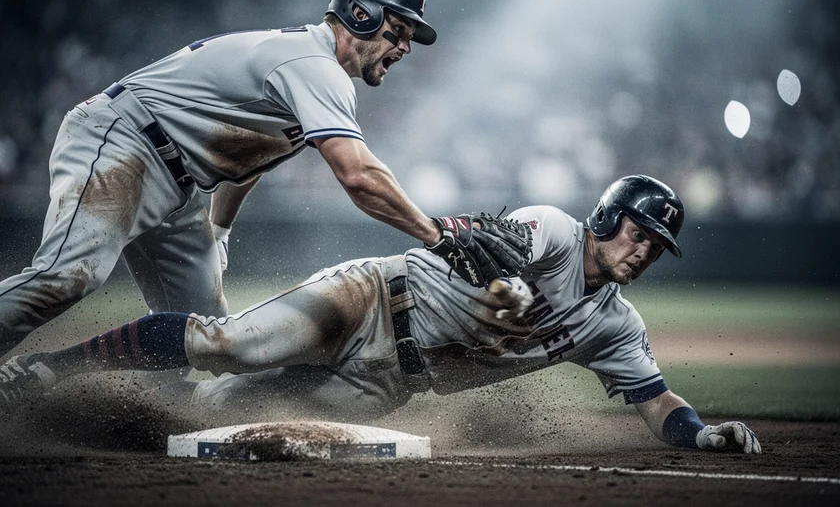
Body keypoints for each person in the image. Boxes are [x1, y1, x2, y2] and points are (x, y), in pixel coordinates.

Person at [0, 175, 760, 454]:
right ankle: (45, 369)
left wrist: (701, 432)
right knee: (224, 346)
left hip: (388, 386)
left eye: (659, 246)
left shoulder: (614, 326)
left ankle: (103, 418)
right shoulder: (557, 233)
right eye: (639, 232)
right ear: (604, 218)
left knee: (212, 421)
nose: (646, 250)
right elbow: (495, 233)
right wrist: (493, 252)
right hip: (368, 301)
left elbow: (654, 402)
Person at [0, 0, 488, 358]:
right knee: (67, 277)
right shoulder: (315, 68)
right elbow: (359, 176)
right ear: (360, 14)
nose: (403, 47)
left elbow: (247, 160)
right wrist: (437, 234)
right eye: (398, 30)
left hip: (179, 180)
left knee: (200, 333)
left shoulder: (316, 74)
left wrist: (221, 230)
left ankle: (115, 413)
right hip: (125, 137)